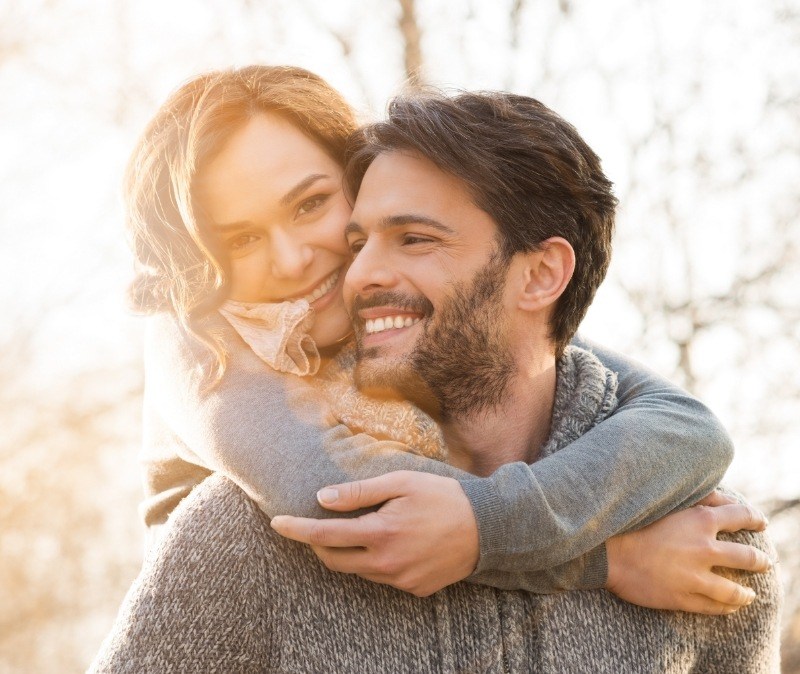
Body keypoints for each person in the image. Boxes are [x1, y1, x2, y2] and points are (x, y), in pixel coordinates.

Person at [90, 90, 781, 673]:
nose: (306, 260)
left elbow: (679, 419)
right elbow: (340, 504)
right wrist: (606, 559)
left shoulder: (712, 548)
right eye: (238, 238)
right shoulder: (205, 367)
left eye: (313, 206)